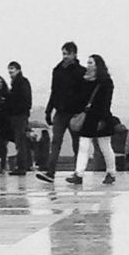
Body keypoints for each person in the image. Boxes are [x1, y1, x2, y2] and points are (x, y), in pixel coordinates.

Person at [36, 42, 87, 184]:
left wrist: (82, 111)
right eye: (63, 54)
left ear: (74, 54)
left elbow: (84, 93)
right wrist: (48, 110)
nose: (65, 57)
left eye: (68, 54)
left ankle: (78, 173)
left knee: (77, 144)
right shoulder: (57, 70)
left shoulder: (80, 71)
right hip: (60, 112)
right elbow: (54, 91)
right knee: (56, 142)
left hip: (75, 113)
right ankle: (50, 172)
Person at [66, 54, 117, 186]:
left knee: (105, 147)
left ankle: (111, 172)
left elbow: (106, 102)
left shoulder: (105, 82)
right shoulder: (85, 80)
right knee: (84, 146)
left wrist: (103, 118)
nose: (87, 65)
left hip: (100, 118)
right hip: (88, 118)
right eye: (87, 63)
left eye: (90, 63)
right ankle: (79, 173)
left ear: (97, 65)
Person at [6, 61, 33, 174]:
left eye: (12, 68)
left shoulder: (21, 82)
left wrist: (16, 110)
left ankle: (21, 166)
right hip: (20, 115)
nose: (10, 71)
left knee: (20, 141)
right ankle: (25, 164)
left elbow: (25, 100)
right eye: (9, 69)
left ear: (18, 69)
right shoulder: (17, 82)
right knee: (21, 140)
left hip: (19, 116)